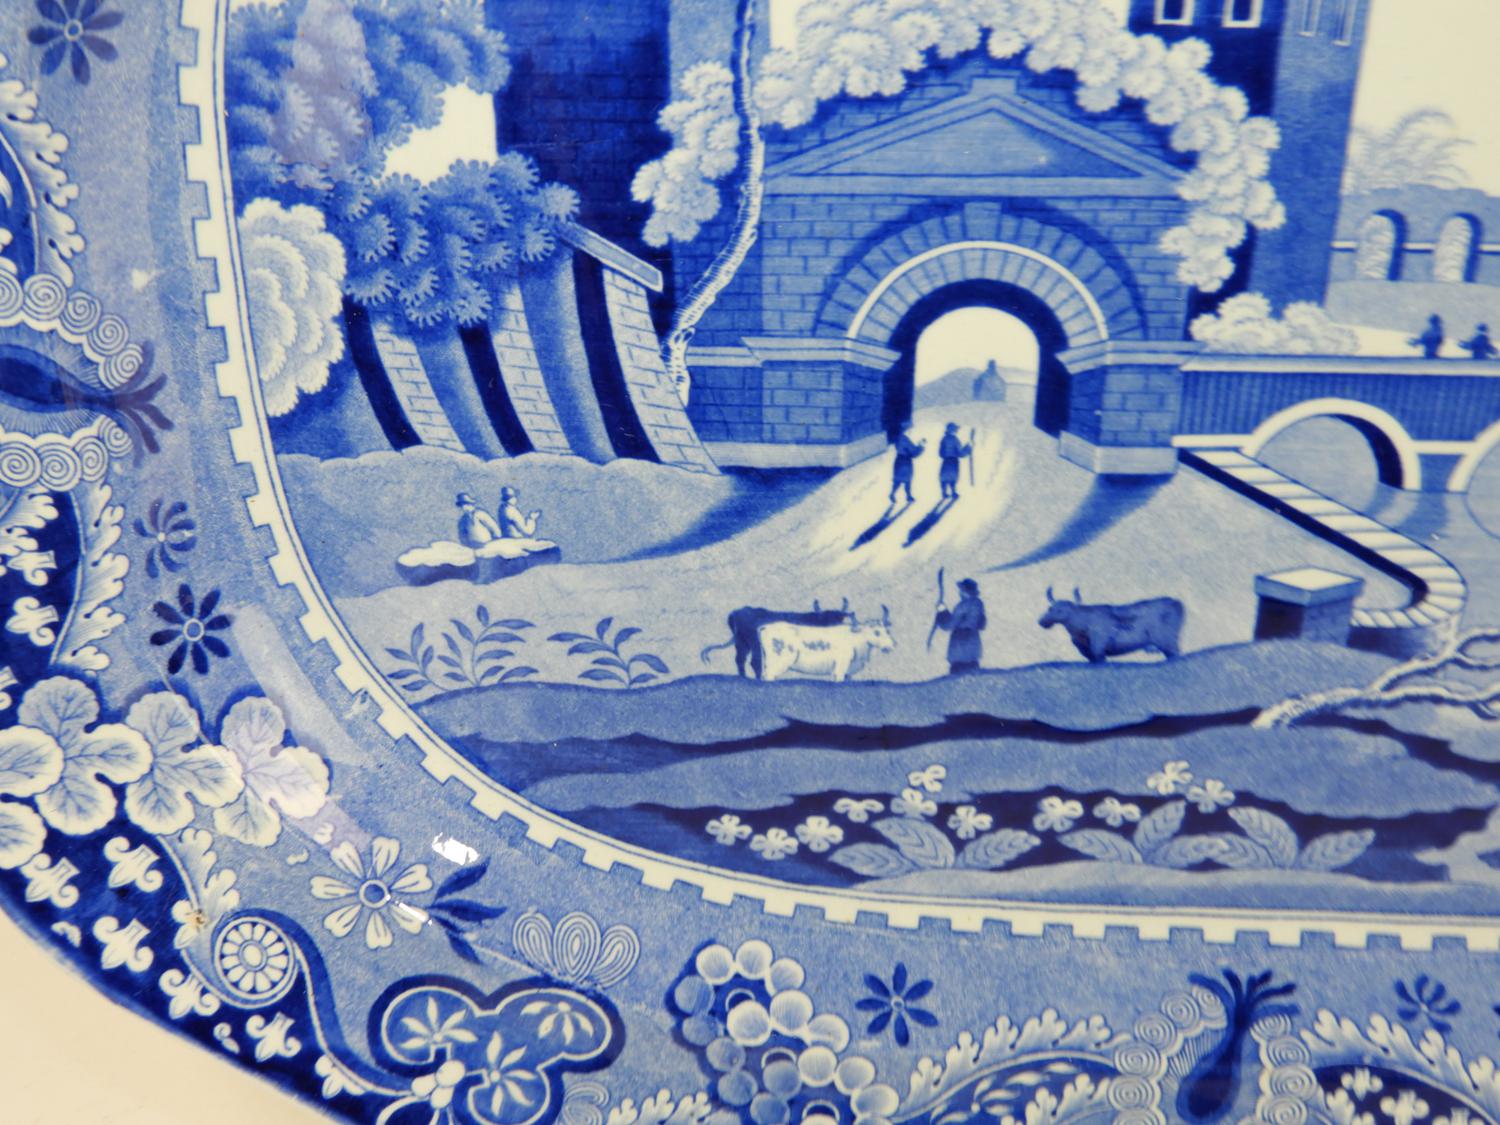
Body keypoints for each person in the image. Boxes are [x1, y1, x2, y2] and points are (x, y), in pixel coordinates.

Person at [934, 577, 986, 675]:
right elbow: (982, 624)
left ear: (965, 591)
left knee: (957, 675)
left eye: (961, 590)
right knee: (973, 673)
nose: (960, 592)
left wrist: (942, 611)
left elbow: (949, 625)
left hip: (960, 646)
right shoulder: (979, 604)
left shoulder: (962, 606)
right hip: (973, 644)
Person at [890, 419, 925, 504]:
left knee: (898, 479)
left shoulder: (898, 438)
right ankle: (908, 496)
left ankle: (893, 494)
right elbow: (914, 452)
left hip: (899, 460)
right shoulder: (905, 439)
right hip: (906, 461)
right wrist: (921, 445)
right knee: (907, 480)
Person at [938, 423, 971, 500]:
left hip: (946, 460)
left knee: (944, 477)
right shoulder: (955, 439)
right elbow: (961, 453)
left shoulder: (943, 439)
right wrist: (968, 448)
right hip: (953, 461)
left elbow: (940, 453)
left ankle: (944, 493)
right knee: (952, 477)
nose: (957, 430)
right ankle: (953, 492)